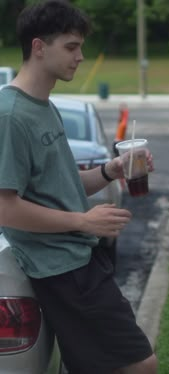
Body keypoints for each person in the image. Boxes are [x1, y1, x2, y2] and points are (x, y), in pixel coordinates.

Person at [0, 1, 157, 373]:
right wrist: (83, 222)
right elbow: (5, 207)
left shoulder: (43, 106)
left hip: (78, 258)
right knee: (140, 365)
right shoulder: (11, 115)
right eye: (71, 47)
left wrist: (110, 170)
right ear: (39, 47)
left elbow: (62, 184)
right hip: (60, 266)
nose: (81, 57)